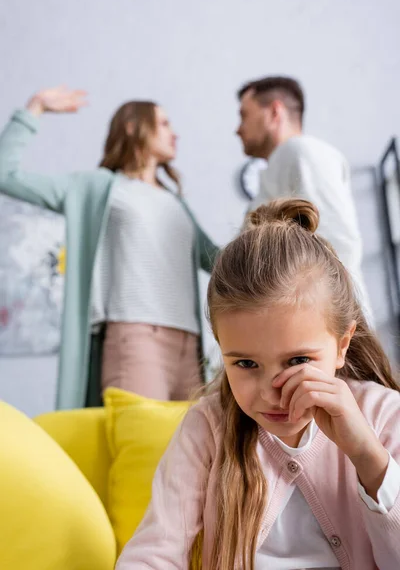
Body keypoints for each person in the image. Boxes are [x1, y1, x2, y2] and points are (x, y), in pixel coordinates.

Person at [116, 198, 400, 569]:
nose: (271, 391)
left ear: (342, 344)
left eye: (298, 361)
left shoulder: (384, 415)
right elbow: (154, 554)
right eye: (246, 363)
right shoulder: (207, 428)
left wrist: (368, 456)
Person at [0, 86, 219, 409]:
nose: (175, 134)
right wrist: (36, 107)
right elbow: (6, 173)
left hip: (189, 348)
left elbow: (218, 260)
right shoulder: (97, 187)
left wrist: (271, 227)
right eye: (164, 124)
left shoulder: (176, 204)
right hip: (137, 340)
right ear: (133, 127)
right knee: (143, 451)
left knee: (198, 455)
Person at [236, 75, 372, 322]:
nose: (238, 129)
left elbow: (337, 240)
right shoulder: (282, 165)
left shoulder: (300, 152)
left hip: (326, 327)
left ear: (274, 111)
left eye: (244, 115)